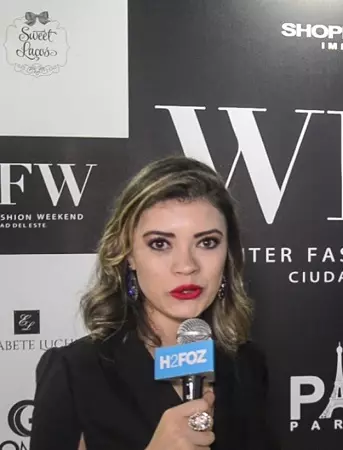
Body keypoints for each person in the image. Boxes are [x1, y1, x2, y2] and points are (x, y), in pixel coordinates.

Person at [29, 156, 277, 449]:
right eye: (160, 244)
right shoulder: (75, 371)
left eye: (207, 242)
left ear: (228, 255)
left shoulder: (247, 364)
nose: (186, 266)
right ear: (128, 255)